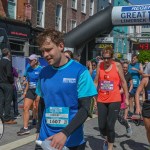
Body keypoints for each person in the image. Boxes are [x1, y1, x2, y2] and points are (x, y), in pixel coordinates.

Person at [35, 28, 97, 150]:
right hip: (45, 139)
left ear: (61, 46)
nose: (45, 55)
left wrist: (65, 133)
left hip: (70, 140)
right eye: (43, 51)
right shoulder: (43, 72)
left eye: (48, 50)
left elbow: (86, 108)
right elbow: (42, 104)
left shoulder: (80, 71)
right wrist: (38, 130)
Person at [94, 46, 129, 150]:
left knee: (110, 125)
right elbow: (96, 82)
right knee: (101, 126)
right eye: (103, 57)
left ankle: (109, 147)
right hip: (101, 99)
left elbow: (123, 82)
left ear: (112, 57)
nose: (105, 60)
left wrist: (126, 97)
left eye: (108, 58)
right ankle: (107, 138)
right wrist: (91, 96)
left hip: (115, 99)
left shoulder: (117, 65)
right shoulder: (100, 65)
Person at [17, 54, 43, 136]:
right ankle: (25, 128)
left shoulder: (41, 69)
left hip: (39, 91)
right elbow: (28, 81)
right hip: (30, 90)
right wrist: (25, 91)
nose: (30, 61)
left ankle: (40, 127)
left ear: (35, 61)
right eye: (29, 60)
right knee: (26, 107)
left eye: (31, 60)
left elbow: (43, 82)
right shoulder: (28, 69)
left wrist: (40, 94)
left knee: (37, 108)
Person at [0, 48, 17, 124]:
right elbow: (9, 74)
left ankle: (1, 117)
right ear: (8, 53)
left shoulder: (0, 61)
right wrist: (12, 82)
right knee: (7, 101)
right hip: (7, 83)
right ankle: (7, 118)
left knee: (1, 101)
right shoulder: (8, 62)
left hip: (0, 83)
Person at [135, 76, 150, 147]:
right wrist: (138, 107)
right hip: (147, 106)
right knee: (149, 129)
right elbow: (137, 93)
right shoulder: (145, 80)